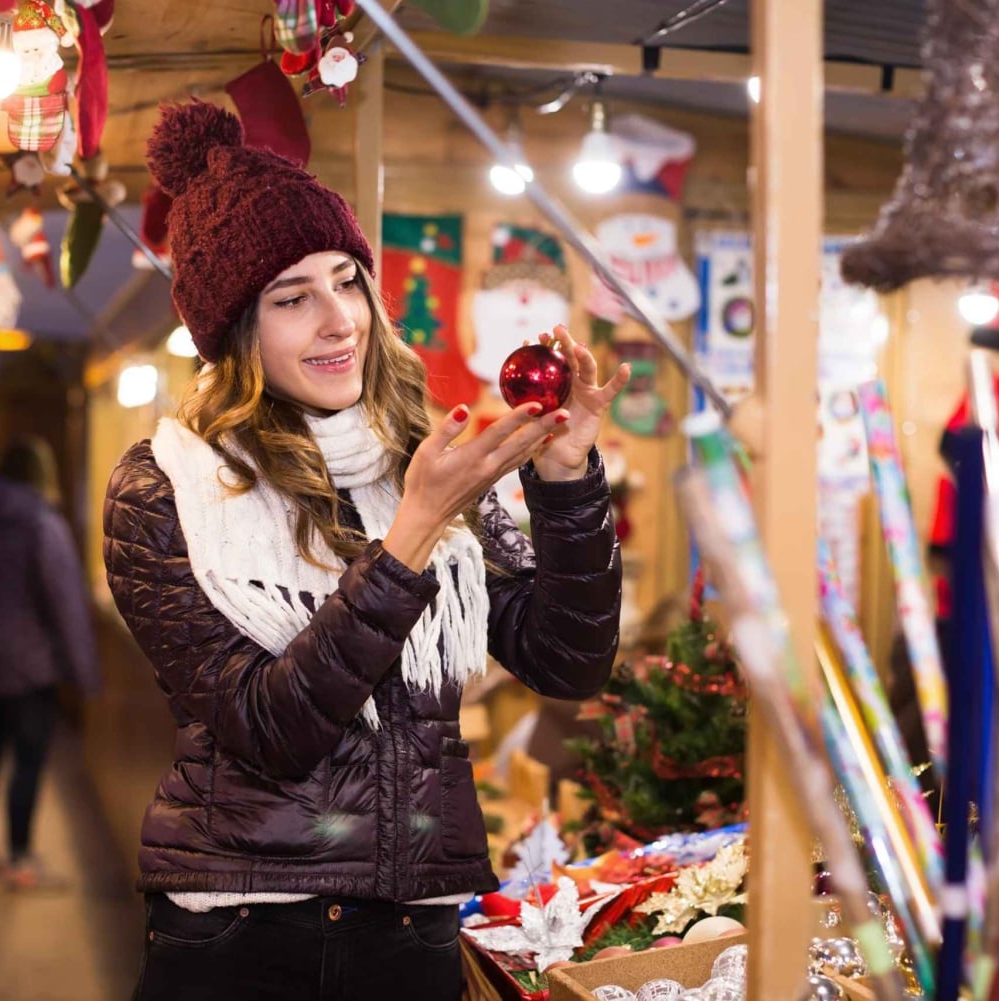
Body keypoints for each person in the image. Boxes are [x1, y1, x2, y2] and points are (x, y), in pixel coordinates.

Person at [102, 100, 630, 1001]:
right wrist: (409, 536)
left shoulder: (410, 458)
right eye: (292, 297)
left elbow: (567, 658)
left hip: (411, 930)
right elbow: (274, 729)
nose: (338, 317)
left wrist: (569, 479)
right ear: (235, 327)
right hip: (240, 931)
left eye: (347, 280)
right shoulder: (164, 489)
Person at [0, 435, 99, 890]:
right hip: (30, 663)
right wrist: (83, 672)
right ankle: (19, 858)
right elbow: (65, 601)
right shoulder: (40, 523)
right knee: (28, 762)